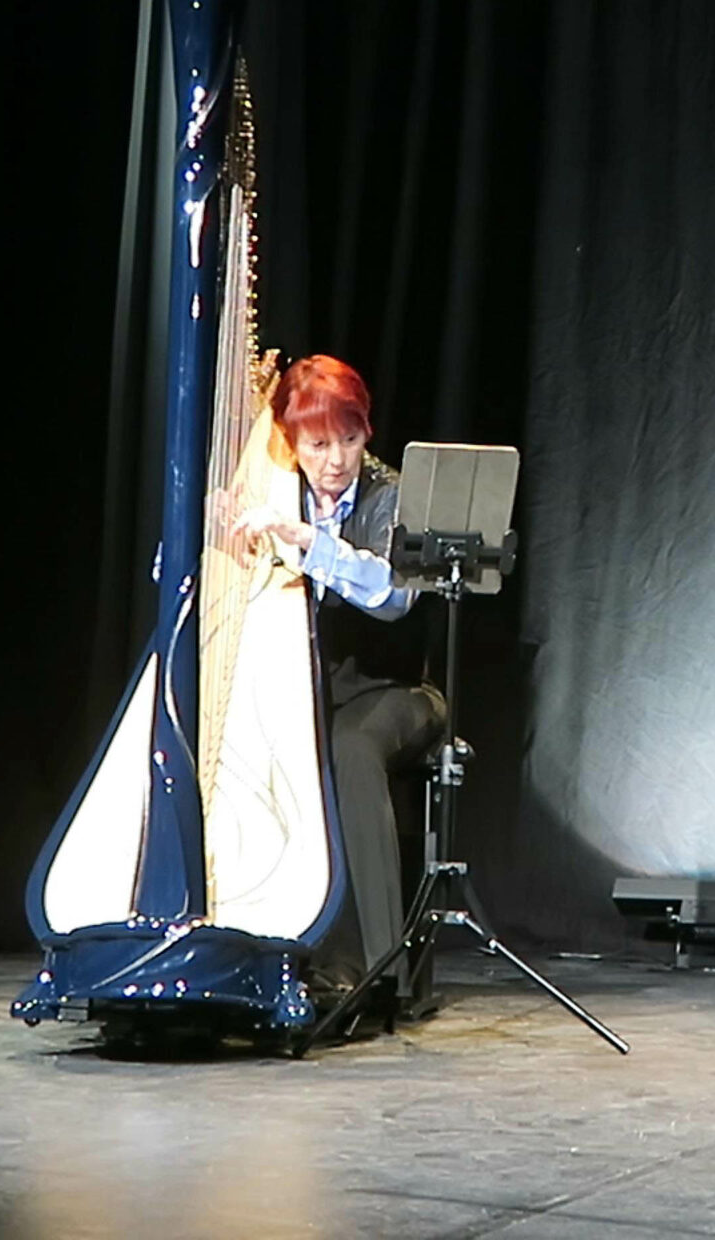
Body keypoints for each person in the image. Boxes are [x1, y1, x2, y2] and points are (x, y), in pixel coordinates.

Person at [226, 354, 443, 1002]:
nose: (336, 460)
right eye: (318, 445)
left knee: (348, 748)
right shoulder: (275, 493)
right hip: (314, 693)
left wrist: (309, 543)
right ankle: (259, 940)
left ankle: (378, 965)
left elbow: (395, 596)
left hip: (396, 692)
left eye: (349, 439)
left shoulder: (391, 497)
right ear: (290, 442)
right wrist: (215, 528)